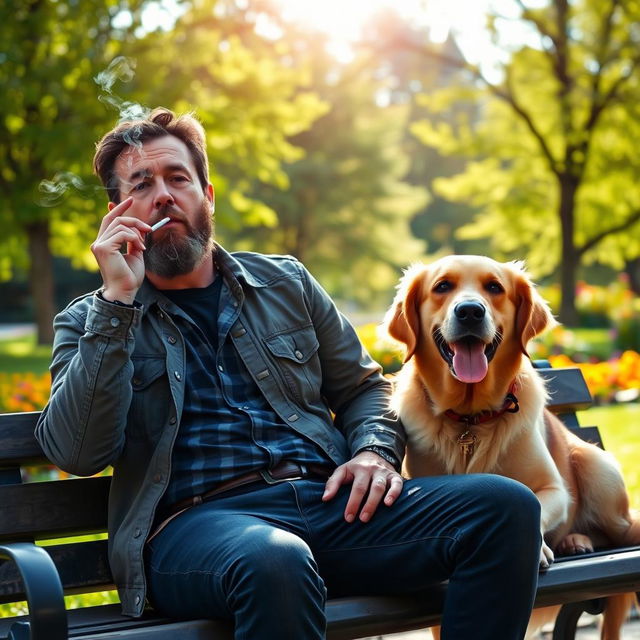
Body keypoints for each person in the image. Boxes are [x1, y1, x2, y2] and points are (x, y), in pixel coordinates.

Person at [36, 107, 541, 640]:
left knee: (503, 508)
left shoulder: (286, 283)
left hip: (329, 506)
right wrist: (117, 302)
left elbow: (364, 389)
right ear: (117, 214)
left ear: (207, 197)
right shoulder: (91, 320)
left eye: (178, 178)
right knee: (275, 561)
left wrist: (373, 451)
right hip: (195, 530)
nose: (164, 195)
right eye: (142, 184)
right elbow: (77, 452)